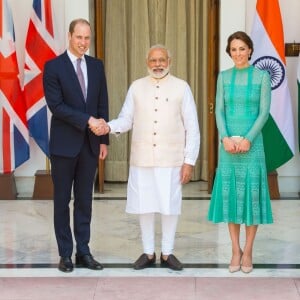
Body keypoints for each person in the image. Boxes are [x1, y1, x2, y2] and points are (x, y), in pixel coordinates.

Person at [98, 44, 200, 271]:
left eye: (162, 60)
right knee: (144, 205)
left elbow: (192, 128)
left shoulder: (181, 88)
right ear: (147, 63)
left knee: (169, 206)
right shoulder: (136, 87)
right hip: (142, 158)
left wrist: (189, 161)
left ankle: (168, 252)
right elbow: (126, 119)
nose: (158, 64)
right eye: (153, 61)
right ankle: (148, 252)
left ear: (169, 61)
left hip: (171, 159)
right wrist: (108, 127)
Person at [43, 18, 109, 273]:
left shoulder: (96, 66)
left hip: (90, 146)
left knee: (85, 201)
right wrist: (87, 120)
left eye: (87, 38)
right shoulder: (53, 67)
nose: (83, 42)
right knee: (62, 201)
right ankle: (65, 254)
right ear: (69, 36)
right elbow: (56, 106)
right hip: (63, 146)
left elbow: (102, 103)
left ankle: (83, 251)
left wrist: (103, 139)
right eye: (79, 37)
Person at [207, 31, 273, 274]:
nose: (238, 54)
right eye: (233, 49)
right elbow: (220, 111)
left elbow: (264, 112)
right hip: (228, 146)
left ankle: (249, 251)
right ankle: (235, 250)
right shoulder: (223, 77)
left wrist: (248, 139)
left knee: (252, 197)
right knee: (231, 196)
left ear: (250, 50)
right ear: (229, 52)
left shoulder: (262, 77)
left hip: (252, 146)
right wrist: (224, 137)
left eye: (242, 49)